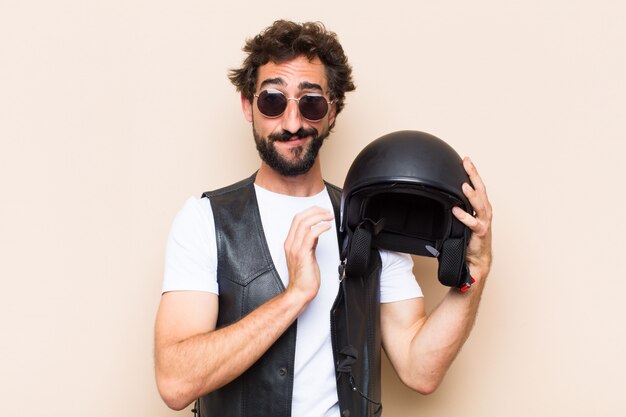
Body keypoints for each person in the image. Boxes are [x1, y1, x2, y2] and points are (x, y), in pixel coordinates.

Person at [154, 20, 493, 417]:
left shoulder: (372, 218)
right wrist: (295, 297)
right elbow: (175, 383)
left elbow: (420, 370)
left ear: (332, 112)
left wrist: (475, 270)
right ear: (248, 106)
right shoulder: (204, 221)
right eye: (273, 101)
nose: (293, 123)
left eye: (311, 102)